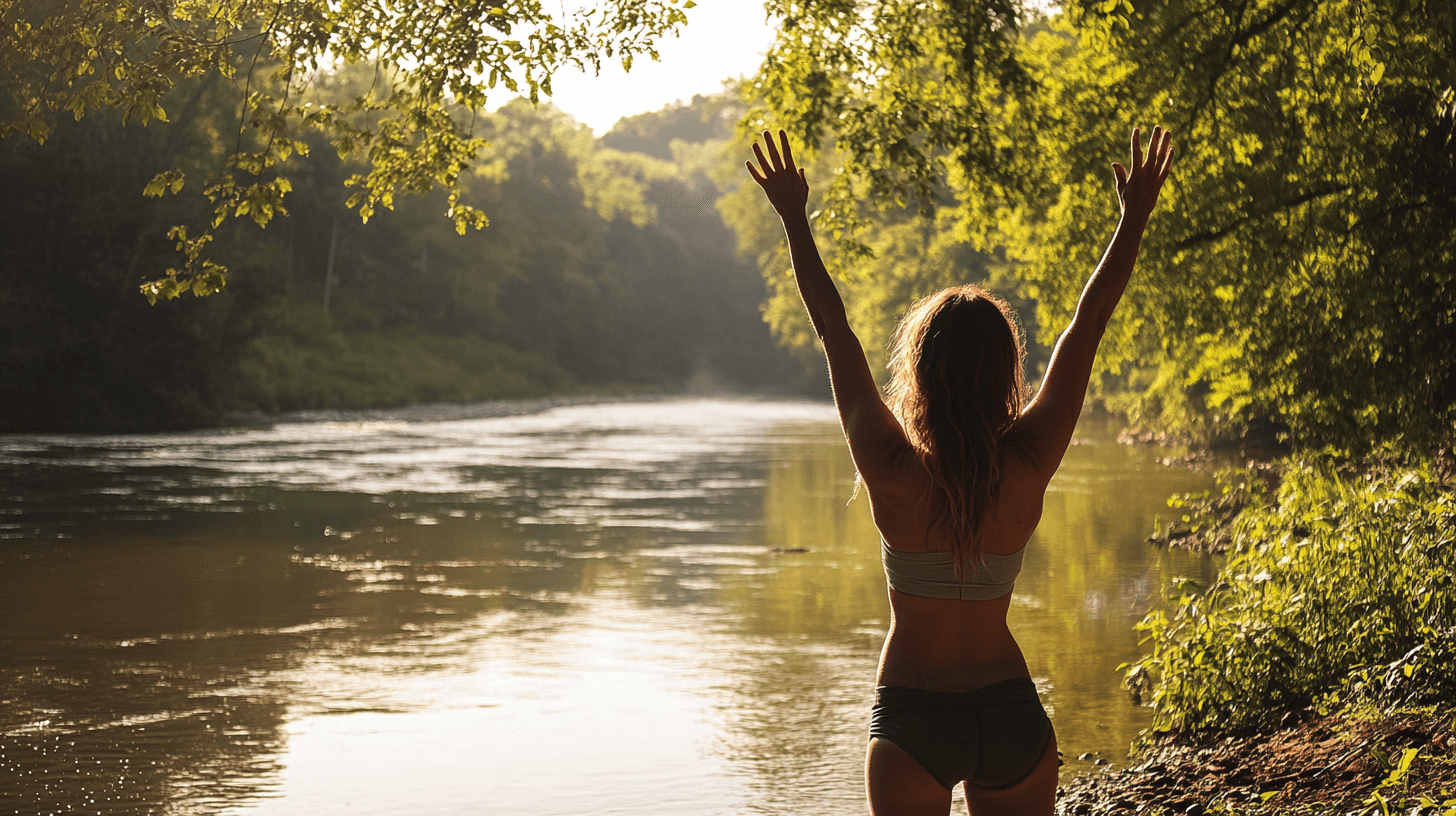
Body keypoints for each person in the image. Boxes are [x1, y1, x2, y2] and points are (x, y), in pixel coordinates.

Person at [746, 125, 1174, 816]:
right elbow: (1086, 324)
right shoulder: (1028, 465)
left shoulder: (890, 471)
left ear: (920, 373)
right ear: (1006, 370)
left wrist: (795, 217)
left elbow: (834, 327)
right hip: (1011, 713)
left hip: (913, 715)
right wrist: (1135, 218)